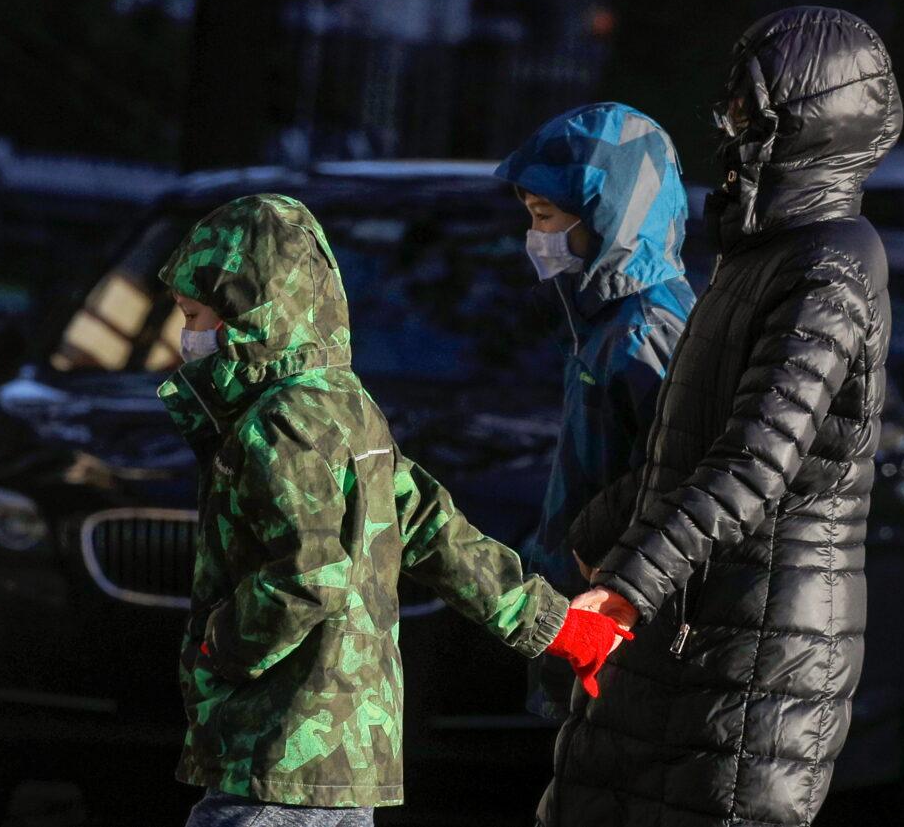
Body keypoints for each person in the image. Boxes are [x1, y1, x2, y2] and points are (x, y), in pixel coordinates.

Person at [156, 194, 629, 826]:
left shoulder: (278, 423)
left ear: (251, 316)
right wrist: (556, 625)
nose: (184, 336)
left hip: (278, 747)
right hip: (347, 755)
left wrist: (221, 647)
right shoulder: (349, 407)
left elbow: (308, 574)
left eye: (192, 314)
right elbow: (434, 528)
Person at [538, 6, 902, 827]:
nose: (730, 134)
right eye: (730, 112)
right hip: (686, 625)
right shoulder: (756, 257)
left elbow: (754, 461)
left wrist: (625, 587)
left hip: (759, 648)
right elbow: (680, 447)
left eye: (748, 116)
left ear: (804, 126)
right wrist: (585, 549)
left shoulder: (833, 265)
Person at [493, 102, 696, 718]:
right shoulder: (602, 320)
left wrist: (595, 552)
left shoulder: (644, 329)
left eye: (547, 216)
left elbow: (675, 477)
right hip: (586, 623)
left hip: (616, 634)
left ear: (611, 217)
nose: (537, 237)